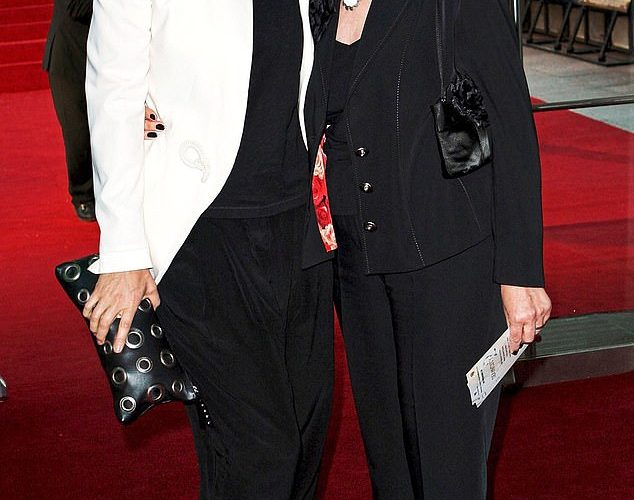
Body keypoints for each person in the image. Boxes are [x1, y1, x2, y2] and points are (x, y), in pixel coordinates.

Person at [82, 1, 335, 498]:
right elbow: (113, 87)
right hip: (200, 234)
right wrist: (124, 253)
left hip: (299, 223)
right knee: (263, 452)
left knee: (305, 439)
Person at [307, 0, 552, 498]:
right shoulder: (316, 7)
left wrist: (520, 272)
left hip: (449, 260)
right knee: (390, 466)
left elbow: (510, 123)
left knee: (448, 468)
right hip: (355, 268)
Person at [43, 0, 95, 221]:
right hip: (67, 61)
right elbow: (76, 8)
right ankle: (83, 195)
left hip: (98, 61)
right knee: (78, 132)